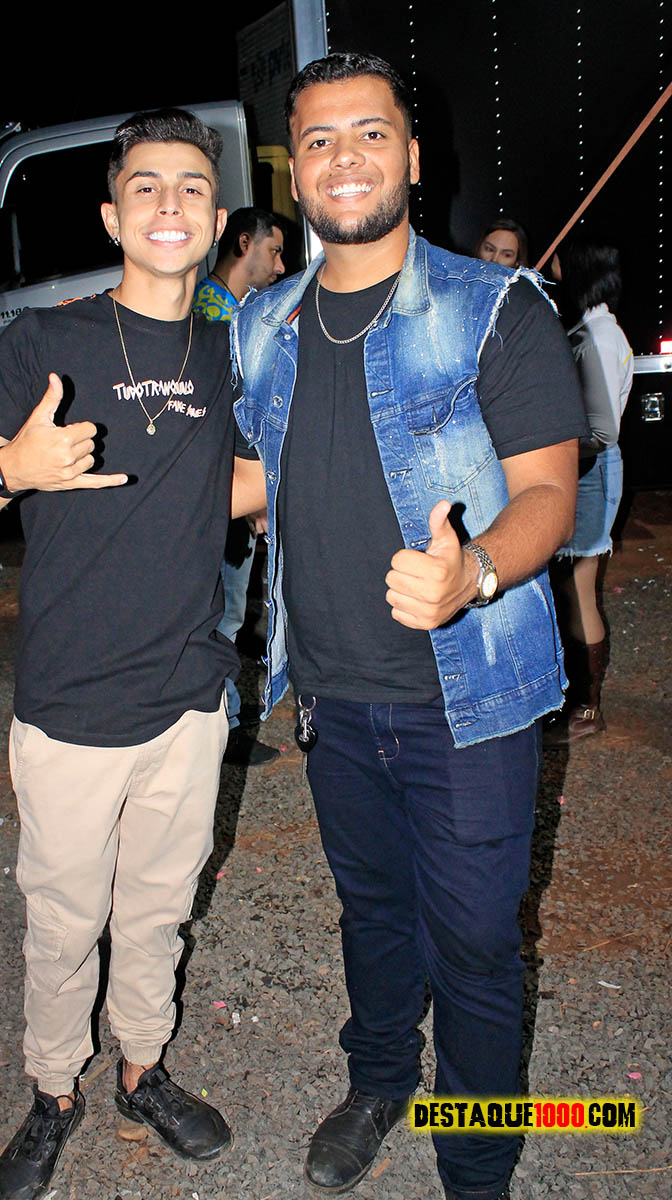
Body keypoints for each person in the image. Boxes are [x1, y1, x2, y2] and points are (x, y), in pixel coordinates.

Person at [230, 52, 588, 1200]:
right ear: (296, 172)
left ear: (412, 156)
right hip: (333, 694)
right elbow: (250, 477)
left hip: (467, 696)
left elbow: (549, 493)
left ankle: (473, 1165)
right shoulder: (262, 326)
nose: (344, 158)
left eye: (370, 134)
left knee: (474, 941)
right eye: (319, 140)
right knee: (373, 914)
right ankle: (378, 1079)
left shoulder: (493, 311)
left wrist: (471, 571)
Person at [0, 107, 261, 1200]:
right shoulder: (45, 344)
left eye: (192, 186)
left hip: (187, 698)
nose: (169, 203)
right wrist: (11, 473)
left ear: (216, 219)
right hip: (68, 706)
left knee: (158, 909)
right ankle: (54, 1090)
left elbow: (221, 488)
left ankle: (143, 1070)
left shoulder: (228, 353)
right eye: (145, 186)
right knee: (64, 924)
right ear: (113, 217)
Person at [194, 207, 286, 765]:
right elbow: (223, 417)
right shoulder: (214, 316)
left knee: (226, 611)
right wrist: (251, 496)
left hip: (231, 487)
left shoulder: (231, 309)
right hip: (225, 490)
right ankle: (223, 727)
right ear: (243, 243)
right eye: (273, 251)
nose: (280, 265)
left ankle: (226, 711)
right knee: (223, 613)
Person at [545, 240, 634, 742]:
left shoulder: (598, 334)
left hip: (591, 469)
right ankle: (576, 700)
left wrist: (543, 445)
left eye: (561, 262)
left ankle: (586, 709)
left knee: (578, 590)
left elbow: (601, 431)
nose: (553, 269)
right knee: (571, 587)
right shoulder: (594, 328)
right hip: (587, 469)